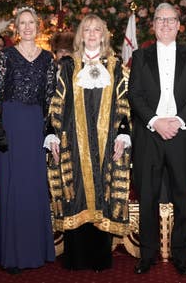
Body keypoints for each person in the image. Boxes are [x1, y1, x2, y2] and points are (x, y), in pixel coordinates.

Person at [46, 14, 132, 271]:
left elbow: (124, 101)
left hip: (106, 143)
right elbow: (56, 101)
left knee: (102, 193)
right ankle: (76, 258)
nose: (92, 34)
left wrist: (123, 133)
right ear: (81, 35)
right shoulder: (69, 66)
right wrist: (52, 131)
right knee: (77, 194)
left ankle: (99, 258)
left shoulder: (116, 66)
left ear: (104, 34)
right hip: (75, 141)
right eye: (87, 30)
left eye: (97, 29)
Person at [128, 3, 186, 276]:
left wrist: (179, 121)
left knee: (182, 196)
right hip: (149, 135)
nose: (165, 24)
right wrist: (154, 121)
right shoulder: (140, 56)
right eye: (160, 19)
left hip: (181, 133)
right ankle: (147, 255)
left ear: (178, 24)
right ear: (153, 25)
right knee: (147, 195)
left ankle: (181, 256)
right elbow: (134, 94)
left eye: (170, 19)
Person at [0, 7, 56, 274]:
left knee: (30, 186)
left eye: (31, 23)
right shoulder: (6, 56)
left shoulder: (48, 58)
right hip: (9, 124)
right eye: (22, 23)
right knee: (7, 185)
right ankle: (6, 252)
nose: (27, 27)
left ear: (39, 27)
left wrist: (48, 131)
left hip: (34, 124)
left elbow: (49, 99)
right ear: (15, 28)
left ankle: (32, 249)